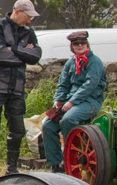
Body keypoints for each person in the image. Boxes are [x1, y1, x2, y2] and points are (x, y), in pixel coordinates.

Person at [0, 0, 42, 182]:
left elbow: (35, 55)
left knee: (17, 129)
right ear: (17, 11)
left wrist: (13, 48)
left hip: (16, 87)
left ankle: (11, 168)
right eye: (28, 16)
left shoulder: (29, 32)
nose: (29, 21)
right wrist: (22, 52)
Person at [42, 31, 106, 173]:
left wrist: (71, 102)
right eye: (76, 44)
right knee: (47, 125)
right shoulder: (71, 62)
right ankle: (55, 165)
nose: (80, 46)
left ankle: (69, 160)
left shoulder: (94, 62)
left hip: (90, 102)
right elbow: (63, 84)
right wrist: (58, 100)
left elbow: (89, 85)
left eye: (82, 43)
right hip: (69, 102)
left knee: (68, 120)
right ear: (72, 46)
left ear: (87, 44)